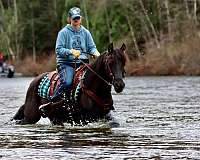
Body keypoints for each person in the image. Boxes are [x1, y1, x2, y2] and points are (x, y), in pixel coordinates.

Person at [51, 7, 100, 102]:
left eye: (78, 18)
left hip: (84, 63)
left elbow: (91, 47)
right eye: (74, 18)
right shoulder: (63, 33)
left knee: (98, 79)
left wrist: (95, 52)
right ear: (69, 19)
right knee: (67, 82)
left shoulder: (86, 32)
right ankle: (53, 101)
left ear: (81, 18)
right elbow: (58, 50)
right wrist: (70, 51)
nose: (76, 20)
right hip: (66, 63)